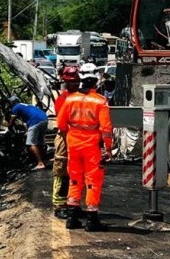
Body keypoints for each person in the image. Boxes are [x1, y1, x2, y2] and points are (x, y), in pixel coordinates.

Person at [57, 62, 113, 231]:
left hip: (73, 144)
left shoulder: (70, 99)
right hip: (92, 147)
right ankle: (92, 220)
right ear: (96, 81)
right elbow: (106, 129)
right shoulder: (100, 101)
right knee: (93, 181)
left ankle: (72, 218)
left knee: (74, 179)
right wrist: (108, 149)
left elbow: (60, 124)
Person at [52, 66, 80, 219]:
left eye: (77, 82)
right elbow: (63, 124)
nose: (75, 85)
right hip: (65, 138)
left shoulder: (79, 98)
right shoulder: (62, 99)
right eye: (73, 82)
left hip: (77, 139)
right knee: (61, 171)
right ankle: (59, 205)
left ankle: (72, 204)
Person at [8, 100, 49, 170]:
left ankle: (40, 163)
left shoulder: (15, 107)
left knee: (30, 144)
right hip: (44, 119)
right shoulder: (27, 105)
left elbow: (12, 121)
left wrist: (9, 128)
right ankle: (43, 160)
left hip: (35, 121)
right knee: (39, 142)